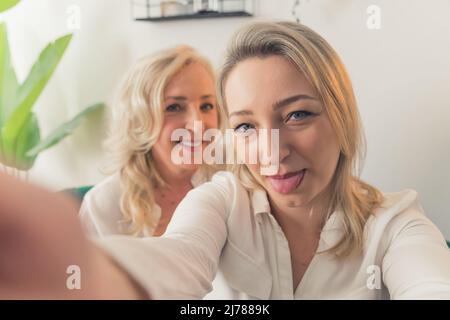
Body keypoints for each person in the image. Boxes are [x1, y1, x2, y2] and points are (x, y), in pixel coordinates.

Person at [1, 22, 449, 299]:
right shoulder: (219, 200)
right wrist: (68, 267)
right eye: (246, 126)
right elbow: (175, 260)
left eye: (297, 114)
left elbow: (430, 285)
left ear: (342, 115)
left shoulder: (394, 223)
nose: (271, 151)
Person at [79, 45, 232, 298]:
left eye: (207, 106)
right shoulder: (103, 204)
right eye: (174, 107)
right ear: (140, 118)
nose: (196, 125)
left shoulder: (233, 183)